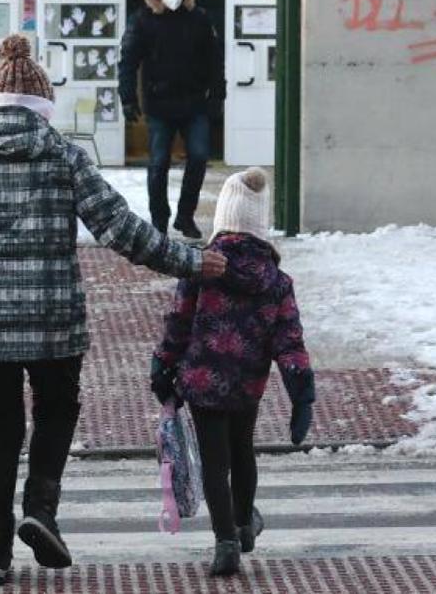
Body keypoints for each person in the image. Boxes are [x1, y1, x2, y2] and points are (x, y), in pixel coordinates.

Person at [0, 34, 229, 585]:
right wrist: (189, 262)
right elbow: (120, 228)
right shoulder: (64, 157)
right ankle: (41, 508)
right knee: (57, 410)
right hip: (56, 322)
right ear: (42, 109)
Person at [150, 168, 315, 577]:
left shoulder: (201, 269)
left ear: (223, 217)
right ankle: (243, 525)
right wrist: (302, 394)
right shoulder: (276, 281)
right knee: (243, 451)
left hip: (202, 383)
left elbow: (178, 323)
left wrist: (163, 365)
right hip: (247, 384)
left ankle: (225, 542)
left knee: (214, 461)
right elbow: (289, 341)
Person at [119, 0, 226, 239]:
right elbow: (128, 61)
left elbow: (215, 61)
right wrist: (127, 98)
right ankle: (159, 220)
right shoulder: (143, 21)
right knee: (158, 164)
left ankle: (185, 216)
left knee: (200, 157)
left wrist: (217, 96)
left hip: (194, 103)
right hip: (159, 104)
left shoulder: (199, 19)